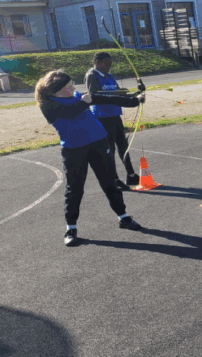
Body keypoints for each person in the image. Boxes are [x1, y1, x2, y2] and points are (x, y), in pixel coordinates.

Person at [35, 70, 145, 247]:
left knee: (110, 183)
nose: (72, 89)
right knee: (74, 189)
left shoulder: (78, 96)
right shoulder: (48, 104)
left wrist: (135, 100)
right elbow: (70, 111)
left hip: (99, 144)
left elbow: (108, 99)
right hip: (73, 150)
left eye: (72, 85)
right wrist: (85, 101)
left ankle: (123, 218)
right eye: (68, 87)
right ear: (55, 91)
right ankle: (71, 228)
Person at [84, 52, 142, 190]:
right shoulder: (92, 76)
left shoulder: (109, 76)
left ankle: (131, 175)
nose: (109, 67)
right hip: (102, 117)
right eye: (106, 64)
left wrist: (135, 95)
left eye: (110, 64)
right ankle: (114, 179)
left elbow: (117, 92)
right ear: (97, 62)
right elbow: (95, 95)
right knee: (110, 150)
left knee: (123, 146)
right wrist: (116, 94)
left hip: (115, 115)